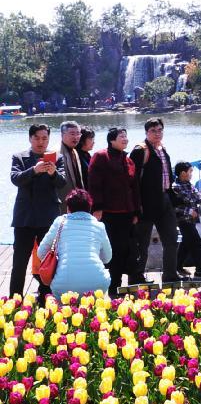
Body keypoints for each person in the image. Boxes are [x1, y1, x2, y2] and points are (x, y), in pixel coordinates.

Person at [10, 124, 67, 299]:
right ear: (30, 138)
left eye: (45, 138)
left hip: (48, 218)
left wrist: (53, 173)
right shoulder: (20, 157)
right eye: (37, 138)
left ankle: (47, 296)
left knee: (49, 260)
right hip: (24, 218)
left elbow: (62, 182)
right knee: (19, 262)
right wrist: (34, 170)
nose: (41, 142)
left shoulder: (57, 158)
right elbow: (15, 179)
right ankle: (14, 299)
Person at [88, 127, 141, 296]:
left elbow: (135, 188)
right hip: (108, 213)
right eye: (121, 136)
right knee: (110, 251)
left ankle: (117, 286)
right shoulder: (101, 156)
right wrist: (97, 207)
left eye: (126, 136)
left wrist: (136, 211)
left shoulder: (128, 159)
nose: (125, 139)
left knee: (125, 250)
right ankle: (109, 287)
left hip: (126, 213)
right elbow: (94, 184)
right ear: (112, 140)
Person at [130, 118, 179, 283]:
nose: (157, 134)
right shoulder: (140, 150)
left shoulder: (162, 148)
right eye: (153, 131)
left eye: (159, 130)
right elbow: (132, 180)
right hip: (146, 202)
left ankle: (170, 274)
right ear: (146, 133)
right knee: (141, 244)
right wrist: (136, 206)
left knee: (171, 239)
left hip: (164, 199)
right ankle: (136, 277)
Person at [37, 189, 112, 298]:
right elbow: (107, 258)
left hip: (63, 285)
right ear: (89, 208)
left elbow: (41, 252)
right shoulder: (99, 226)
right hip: (97, 284)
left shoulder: (60, 222)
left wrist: (59, 260)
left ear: (68, 209)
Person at [170, 162, 201, 280]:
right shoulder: (175, 187)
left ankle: (178, 267)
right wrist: (189, 211)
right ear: (183, 173)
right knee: (197, 244)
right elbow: (173, 206)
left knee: (186, 244)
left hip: (192, 220)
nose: (192, 174)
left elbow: (198, 197)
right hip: (183, 221)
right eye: (190, 171)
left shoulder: (188, 184)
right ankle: (200, 271)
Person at [58, 121, 85, 212]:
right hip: (61, 204)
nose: (76, 137)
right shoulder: (56, 153)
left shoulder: (74, 151)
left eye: (78, 134)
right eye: (72, 133)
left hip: (76, 203)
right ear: (62, 135)